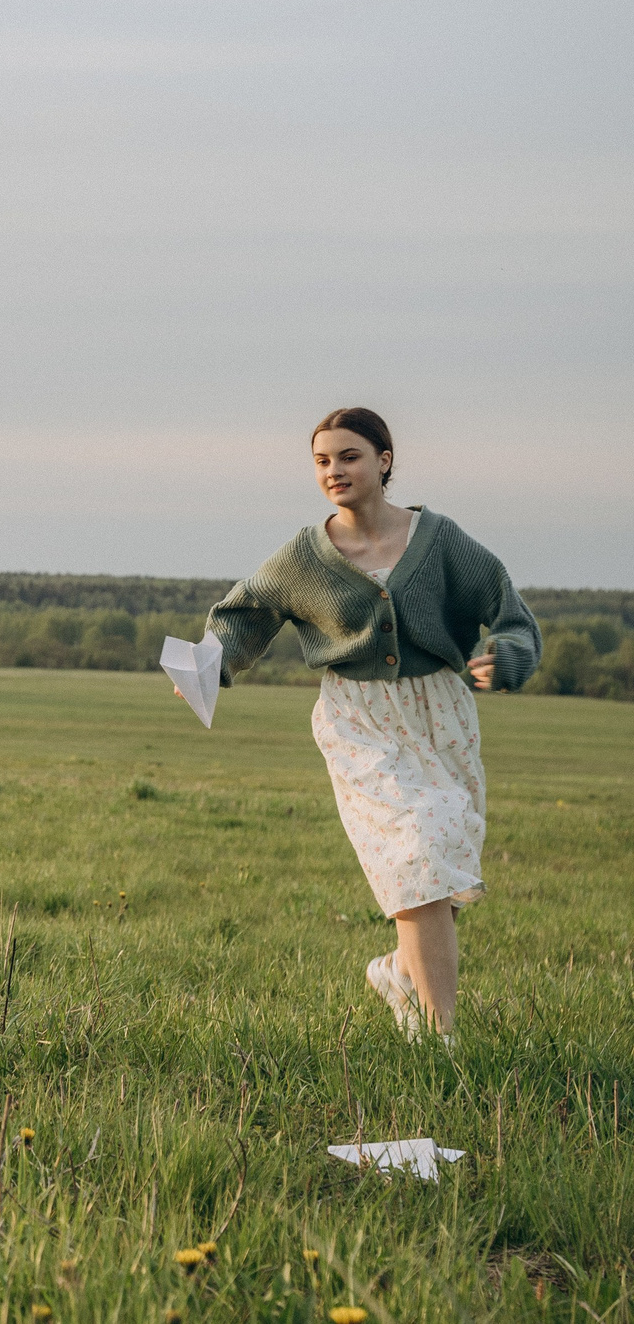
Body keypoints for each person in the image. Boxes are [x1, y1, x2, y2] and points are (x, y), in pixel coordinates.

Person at [196, 407, 540, 1043]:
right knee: (419, 852)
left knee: (436, 859)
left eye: (349, 456)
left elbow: (509, 611)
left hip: (439, 713)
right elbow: (243, 614)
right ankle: (441, 1042)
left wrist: (513, 657)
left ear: (384, 461)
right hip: (357, 719)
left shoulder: (440, 542)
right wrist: (205, 665)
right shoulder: (305, 555)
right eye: (323, 461)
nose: (335, 471)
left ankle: (399, 974)